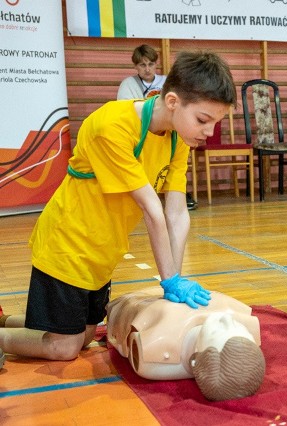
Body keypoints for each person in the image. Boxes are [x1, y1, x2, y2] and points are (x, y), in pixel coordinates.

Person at [0, 51, 236, 362]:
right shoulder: (112, 126)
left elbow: (176, 213)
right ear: (173, 102)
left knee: (83, 337)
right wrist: (169, 281)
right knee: (65, 347)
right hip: (68, 245)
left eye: (215, 123)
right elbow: (152, 208)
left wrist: (174, 281)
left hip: (103, 251)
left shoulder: (178, 138)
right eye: (203, 121)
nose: (209, 132)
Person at [107, 287, 265, 401]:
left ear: (198, 358)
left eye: (219, 330)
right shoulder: (236, 314)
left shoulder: (159, 345)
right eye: (239, 328)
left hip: (138, 300)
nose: (227, 319)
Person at [117, 44, 197, 210]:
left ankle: (178, 193)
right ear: (135, 66)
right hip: (139, 135)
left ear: (156, 64)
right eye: (142, 65)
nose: (147, 69)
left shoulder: (166, 82)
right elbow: (126, 111)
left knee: (179, 151)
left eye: (151, 64)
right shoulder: (128, 84)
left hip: (164, 134)